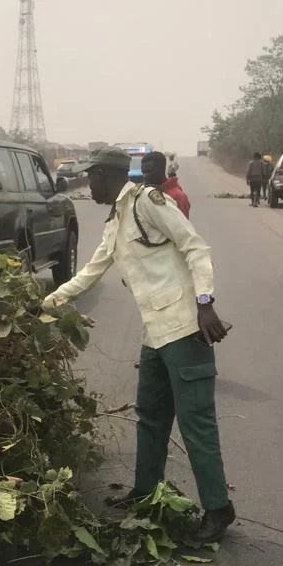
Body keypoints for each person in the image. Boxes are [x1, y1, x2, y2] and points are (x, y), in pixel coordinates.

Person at [43, 146, 235, 544]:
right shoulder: (115, 221)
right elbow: (90, 273)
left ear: (103, 176)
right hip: (155, 334)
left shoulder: (148, 202)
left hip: (185, 329)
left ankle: (219, 509)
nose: (87, 185)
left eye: (90, 178)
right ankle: (145, 493)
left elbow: (195, 246)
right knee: (150, 416)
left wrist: (205, 303)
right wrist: (43, 303)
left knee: (196, 424)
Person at [142, 151, 190, 217]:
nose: (145, 176)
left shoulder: (178, 197)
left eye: (149, 171)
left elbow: (184, 225)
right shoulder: (145, 194)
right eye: (143, 172)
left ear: (161, 170)